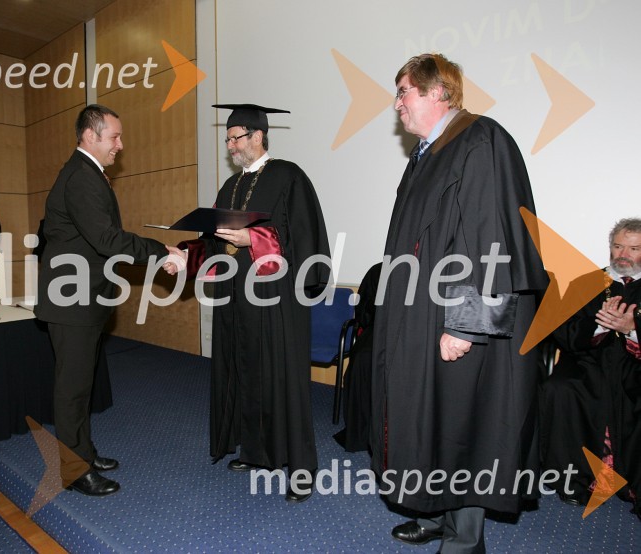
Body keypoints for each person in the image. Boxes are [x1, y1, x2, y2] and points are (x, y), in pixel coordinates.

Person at [371, 54, 547, 552]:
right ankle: (434, 511)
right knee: (432, 416)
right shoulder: (428, 153)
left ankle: (464, 537)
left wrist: (467, 325)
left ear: (438, 91)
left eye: (404, 91)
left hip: (457, 318)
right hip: (420, 314)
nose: (398, 103)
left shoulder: (480, 140)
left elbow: (490, 237)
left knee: (464, 420)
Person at [166, 104, 330, 503]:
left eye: (235, 137)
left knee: (283, 380)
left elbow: (304, 240)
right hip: (237, 299)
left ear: (258, 135)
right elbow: (212, 240)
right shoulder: (230, 187)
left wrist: (253, 240)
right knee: (245, 372)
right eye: (227, 139)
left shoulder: (289, 177)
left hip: (276, 300)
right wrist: (183, 257)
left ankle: (302, 468)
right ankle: (255, 451)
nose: (230, 146)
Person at [35, 104, 175, 498]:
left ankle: (83, 453)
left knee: (80, 383)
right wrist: (160, 251)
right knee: (73, 388)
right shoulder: (81, 177)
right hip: (72, 300)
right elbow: (107, 239)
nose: (120, 145)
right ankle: (74, 471)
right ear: (90, 136)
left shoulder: (88, 174)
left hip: (83, 296)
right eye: (114, 137)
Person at [540, 218, 641, 521]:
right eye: (618, 246)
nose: (623, 254)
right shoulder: (585, 282)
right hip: (587, 363)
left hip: (633, 368)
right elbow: (565, 333)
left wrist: (632, 329)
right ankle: (573, 480)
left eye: (634, 248)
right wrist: (597, 324)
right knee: (558, 389)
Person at [333, 261, 380, 453]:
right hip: (377, 331)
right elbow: (364, 313)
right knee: (362, 361)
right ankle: (361, 432)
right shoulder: (378, 271)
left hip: (417, 336)